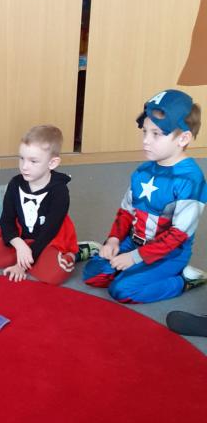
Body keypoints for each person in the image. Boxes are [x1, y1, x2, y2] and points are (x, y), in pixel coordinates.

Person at [82, 89, 207, 302]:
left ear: (183, 138)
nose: (146, 141)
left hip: (169, 253)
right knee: (93, 274)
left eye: (156, 134)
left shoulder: (191, 180)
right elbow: (126, 211)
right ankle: (135, 270)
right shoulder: (143, 171)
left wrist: (134, 258)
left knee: (122, 290)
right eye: (145, 132)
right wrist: (113, 240)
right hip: (134, 241)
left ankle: (183, 280)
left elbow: (177, 236)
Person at [0, 124, 78, 284]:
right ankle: (25, 255)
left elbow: (49, 233)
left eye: (33, 161)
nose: (24, 166)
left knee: (53, 275)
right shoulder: (15, 184)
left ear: (52, 163)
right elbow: (6, 221)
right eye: (22, 158)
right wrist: (19, 245)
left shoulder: (60, 192)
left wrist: (21, 266)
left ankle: (79, 252)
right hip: (20, 237)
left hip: (47, 241)